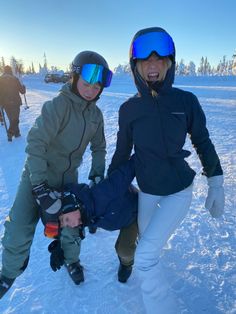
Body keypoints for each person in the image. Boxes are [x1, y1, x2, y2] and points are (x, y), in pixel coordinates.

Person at [107, 27, 225, 313]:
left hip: (178, 190)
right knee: (150, 243)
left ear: (169, 64)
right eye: (145, 60)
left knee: (144, 255)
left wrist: (216, 181)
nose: (152, 65)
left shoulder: (186, 101)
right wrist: (107, 188)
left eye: (160, 59)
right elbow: (122, 152)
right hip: (148, 189)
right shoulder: (129, 109)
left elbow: (202, 140)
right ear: (135, 66)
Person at [0, 50, 118, 299]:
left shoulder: (96, 116)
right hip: (36, 176)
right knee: (19, 227)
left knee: (72, 227)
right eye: (86, 84)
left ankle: (71, 261)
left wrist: (97, 178)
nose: (91, 90)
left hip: (67, 181)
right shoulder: (58, 106)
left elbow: (99, 148)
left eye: (96, 87)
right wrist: (40, 187)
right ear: (75, 79)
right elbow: (36, 143)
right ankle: (7, 274)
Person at [42, 157, 138, 274]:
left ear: (74, 206)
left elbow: (129, 169)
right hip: (116, 219)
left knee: (125, 251)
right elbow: (68, 233)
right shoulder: (82, 215)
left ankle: (126, 264)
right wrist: (59, 246)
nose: (70, 225)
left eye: (66, 220)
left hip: (138, 214)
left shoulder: (104, 192)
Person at [0, 65, 26, 141]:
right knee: (15, 119)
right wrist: (23, 87)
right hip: (15, 102)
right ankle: (11, 133)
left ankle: (17, 133)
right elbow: (22, 91)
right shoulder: (15, 79)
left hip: (5, 103)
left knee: (12, 119)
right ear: (10, 71)